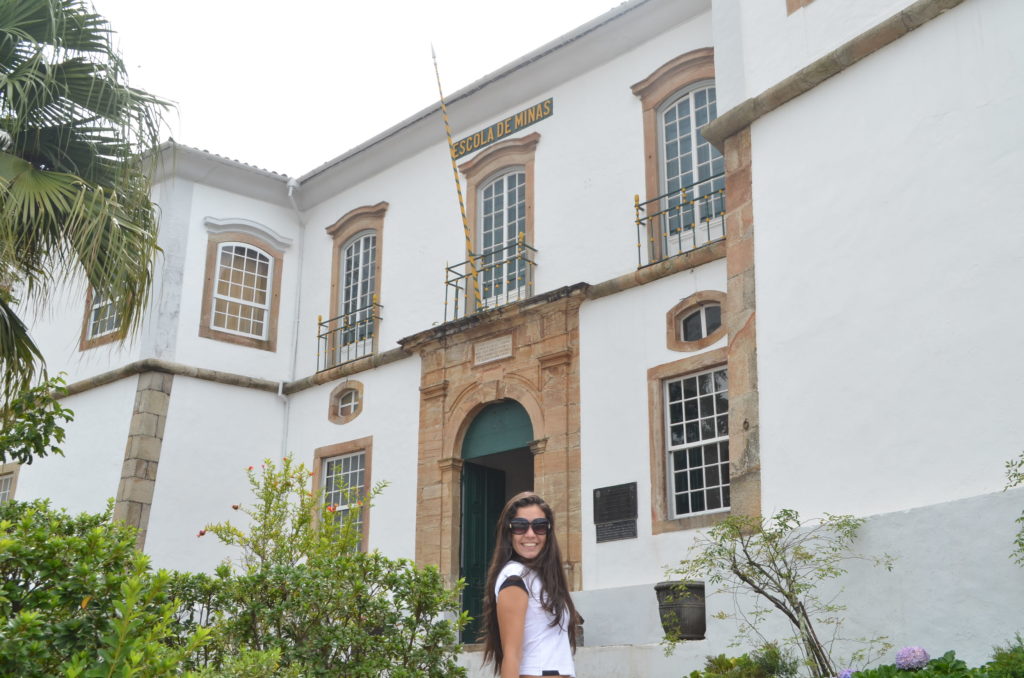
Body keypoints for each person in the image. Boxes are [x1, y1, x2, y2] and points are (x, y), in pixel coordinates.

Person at [481, 492, 580, 678]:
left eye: (539, 526)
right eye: (520, 526)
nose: (530, 534)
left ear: (548, 531)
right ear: (508, 532)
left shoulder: (541, 577)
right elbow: (511, 656)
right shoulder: (514, 578)